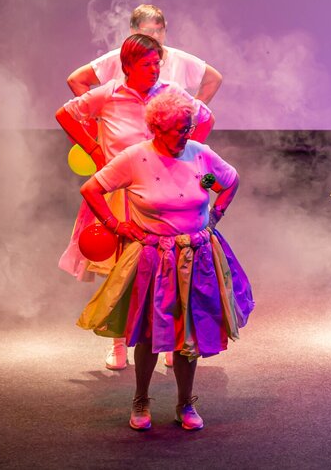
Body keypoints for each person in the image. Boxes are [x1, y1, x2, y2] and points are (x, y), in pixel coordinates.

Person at [76, 91, 252, 431]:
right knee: (149, 332)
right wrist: (116, 225)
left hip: (195, 256)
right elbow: (91, 189)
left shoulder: (199, 155)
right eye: (178, 129)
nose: (185, 135)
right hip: (153, 257)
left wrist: (216, 213)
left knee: (189, 332)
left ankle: (185, 403)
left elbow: (227, 181)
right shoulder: (135, 158)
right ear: (157, 128)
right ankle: (141, 399)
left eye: (188, 128)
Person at [57, 34, 214, 370]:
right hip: (120, 195)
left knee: (170, 265)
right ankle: (118, 343)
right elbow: (65, 114)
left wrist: (188, 156)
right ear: (128, 66)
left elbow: (205, 118)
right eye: (147, 64)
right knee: (121, 270)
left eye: (157, 63)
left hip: (162, 195)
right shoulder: (109, 94)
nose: (155, 69)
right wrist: (94, 149)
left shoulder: (170, 92)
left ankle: (169, 339)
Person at [67, 4, 223, 103]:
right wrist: (95, 118)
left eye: (160, 30)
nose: (155, 36)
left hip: (164, 139)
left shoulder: (178, 59)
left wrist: (190, 116)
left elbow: (213, 79)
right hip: (126, 139)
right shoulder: (118, 58)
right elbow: (76, 80)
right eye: (148, 31)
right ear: (133, 31)